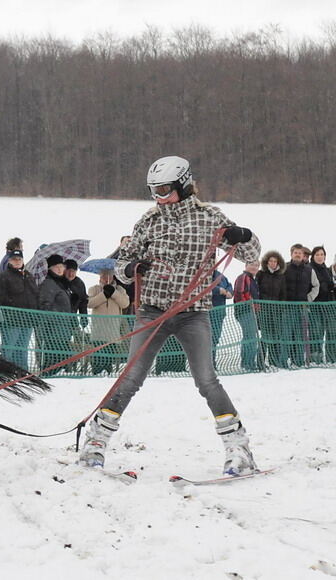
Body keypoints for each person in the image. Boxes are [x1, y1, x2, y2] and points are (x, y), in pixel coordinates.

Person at [78, 155, 261, 477]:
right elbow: (121, 263)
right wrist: (131, 268)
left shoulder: (209, 217)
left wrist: (243, 235)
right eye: (153, 191)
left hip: (193, 314)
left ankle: (238, 448)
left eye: (163, 190)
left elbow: (251, 254)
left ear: (183, 184)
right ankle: (96, 441)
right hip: (152, 311)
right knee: (131, 377)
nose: (158, 198)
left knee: (206, 379)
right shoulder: (149, 221)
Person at [0, 249, 38, 370]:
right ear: (9, 260)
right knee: (8, 349)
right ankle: (3, 371)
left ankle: (22, 373)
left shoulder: (29, 276)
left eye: (19, 259)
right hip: (11, 321)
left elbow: (34, 296)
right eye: (14, 259)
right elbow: (0, 299)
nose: (17, 261)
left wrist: (35, 316)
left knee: (22, 349)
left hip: (28, 321)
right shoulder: (2, 277)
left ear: (23, 260)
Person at [86, 269, 130, 375]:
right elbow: (89, 303)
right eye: (103, 276)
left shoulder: (120, 290)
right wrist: (104, 295)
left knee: (109, 359)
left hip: (113, 332)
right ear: (100, 277)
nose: (106, 279)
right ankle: (96, 374)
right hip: (98, 332)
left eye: (108, 276)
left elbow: (125, 304)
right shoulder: (94, 289)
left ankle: (108, 374)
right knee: (98, 358)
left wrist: (114, 293)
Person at [37, 254, 74, 375]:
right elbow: (44, 305)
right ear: (49, 268)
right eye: (56, 267)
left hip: (63, 330)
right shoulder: (48, 283)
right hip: (52, 331)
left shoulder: (62, 283)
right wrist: (56, 318)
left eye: (61, 266)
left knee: (62, 360)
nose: (59, 269)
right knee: (54, 362)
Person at [282, 243, 315, 367]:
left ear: (303, 255)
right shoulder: (284, 267)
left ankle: (299, 361)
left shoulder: (309, 269)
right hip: (287, 307)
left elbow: (315, 286)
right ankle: (283, 362)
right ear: (291, 254)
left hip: (302, 308)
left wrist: (309, 298)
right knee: (286, 335)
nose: (297, 255)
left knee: (300, 335)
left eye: (300, 253)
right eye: (295, 252)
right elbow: (280, 286)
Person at [255, 250, 287, 368]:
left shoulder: (281, 276)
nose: (273, 263)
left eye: (275, 261)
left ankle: (274, 362)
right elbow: (256, 290)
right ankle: (260, 362)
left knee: (276, 336)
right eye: (271, 261)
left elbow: (283, 294)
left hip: (276, 311)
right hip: (264, 310)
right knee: (264, 336)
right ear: (267, 262)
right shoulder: (261, 274)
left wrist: (281, 308)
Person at [233, 261, 263, 371]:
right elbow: (239, 293)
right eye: (252, 264)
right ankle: (247, 363)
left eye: (256, 265)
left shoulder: (253, 280)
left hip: (253, 312)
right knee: (250, 337)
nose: (254, 267)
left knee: (251, 337)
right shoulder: (243, 277)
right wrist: (247, 305)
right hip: (245, 311)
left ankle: (249, 362)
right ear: (246, 266)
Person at [307, 246, 336, 364]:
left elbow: (329, 285)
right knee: (316, 332)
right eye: (317, 254)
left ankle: (331, 358)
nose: (320, 257)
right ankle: (315, 358)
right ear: (313, 257)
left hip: (328, 306)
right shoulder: (309, 268)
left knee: (332, 331)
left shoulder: (327, 270)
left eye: (322, 254)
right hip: (315, 305)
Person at [209, 270, 234, 366]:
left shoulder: (220, 275)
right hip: (206, 312)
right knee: (205, 339)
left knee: (215, 337)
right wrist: (217, 290)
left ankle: (212, 362)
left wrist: (229, 292)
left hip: (219, 313)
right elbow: (201, 288)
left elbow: (229, 286)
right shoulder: (202, 274)